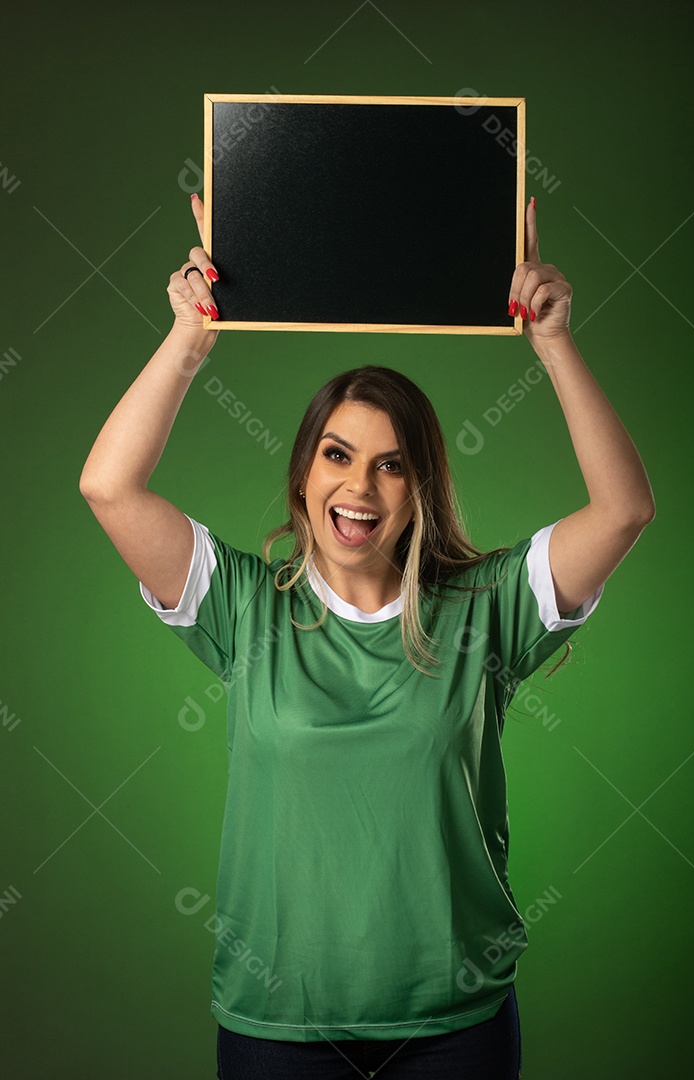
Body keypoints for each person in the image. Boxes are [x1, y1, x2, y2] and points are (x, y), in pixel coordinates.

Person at [79, 193, 655, 1080]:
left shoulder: (485, 608)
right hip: (277, 1027)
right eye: (337, 455)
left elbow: (622, 511)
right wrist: (191, 337)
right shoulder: (244, 606)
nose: (362, 487)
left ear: (419, 486)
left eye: (392, 464)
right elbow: (109, 488)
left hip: (455, 1027)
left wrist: (552, 343)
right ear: (304, 472)